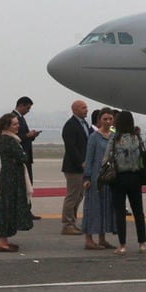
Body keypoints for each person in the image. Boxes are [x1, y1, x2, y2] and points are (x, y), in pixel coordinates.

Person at [106, 111, 146, 255]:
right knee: (138, 211)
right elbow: (144, 154)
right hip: (135, 177)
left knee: (120, 212)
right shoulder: (137, 138)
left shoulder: (114, 138)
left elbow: (106, 158)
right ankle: (142, 243)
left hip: (119, 178)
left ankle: (122, 245)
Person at [0, 113, 33, 252]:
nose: (18, 126)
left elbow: (20, 158)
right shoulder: (9, 140)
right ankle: (2, 242)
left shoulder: (8, 139)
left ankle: (4, 240)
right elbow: (23, 157)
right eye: (14, 124)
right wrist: (19, 159)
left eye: (17, 123)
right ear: (7, 126)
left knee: (7, 207)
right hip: (11, 178)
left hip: (10, 176)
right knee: (6, 207)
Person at [81, 107, 116, 250]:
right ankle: (88, 239)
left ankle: (102, 238)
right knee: (93, 207)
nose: (108, 122)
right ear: (99, 120)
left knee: (105, 207)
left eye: (110, 119)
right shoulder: (94, 137)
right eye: (105, 119)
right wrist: (87, 177)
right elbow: (89, 158)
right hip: (96, 176)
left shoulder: (114, 135)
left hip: (110, 177)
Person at [60, 99, 91, 235]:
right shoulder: (70, 125)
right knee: (72, 196)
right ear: (75, 110)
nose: (86, 110)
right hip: (73, 167)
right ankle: (67, 224)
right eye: (83, 108)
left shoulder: (84, 124)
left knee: (79, 196)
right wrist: (81, 162)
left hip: (82, 166)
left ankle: (72, 222)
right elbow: (71, 147)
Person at [12, 96, 42, 219]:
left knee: (27, 185)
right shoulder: (13, 118)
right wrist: (27, 135)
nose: (28, 111)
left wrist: (32, 136)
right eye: (28, 108)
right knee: (23, 186)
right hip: (21, 158)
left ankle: (26, 211)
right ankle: (23, 212)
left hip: (26, 157)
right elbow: (14, 138)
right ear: (21, 105)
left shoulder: (21, 118)